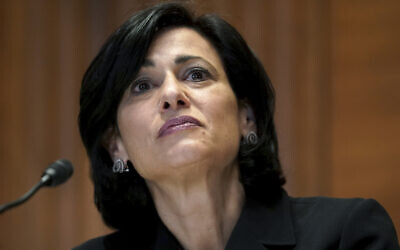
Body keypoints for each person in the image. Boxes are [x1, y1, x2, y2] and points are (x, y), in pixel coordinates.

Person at [74, 2, 399, 250]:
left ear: (247, 117)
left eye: (196, 74)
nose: (172, 95)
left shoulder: (345, 235)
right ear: (116, 145)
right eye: (142, 85)